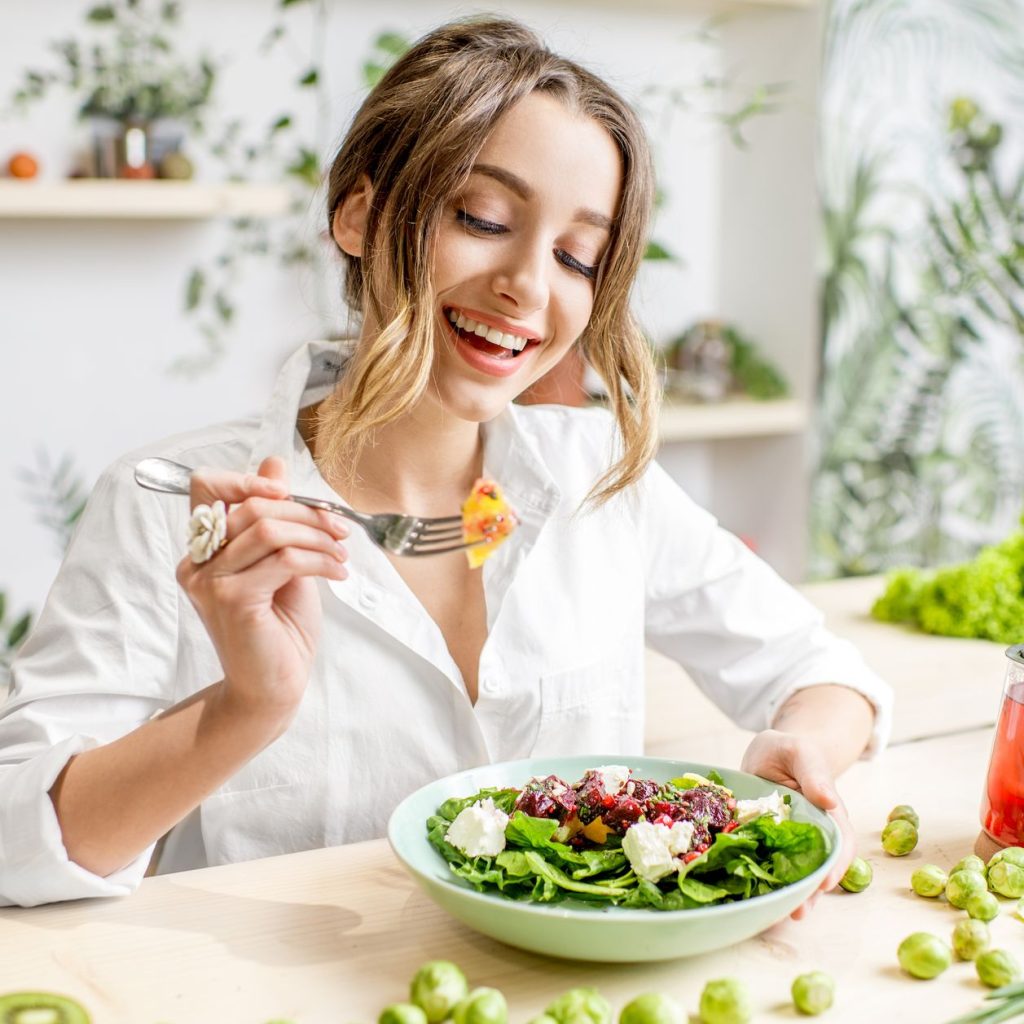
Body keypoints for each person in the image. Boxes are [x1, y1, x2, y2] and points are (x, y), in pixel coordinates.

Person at [0, 17, 891, 909]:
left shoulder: (599, 478)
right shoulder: (170, 503)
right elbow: (17, 844)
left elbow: (821, 671)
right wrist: (248, 708)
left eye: (577, 255)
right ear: (359, 214)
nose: (530, 287)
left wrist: (804, 750)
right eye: (483, 218)